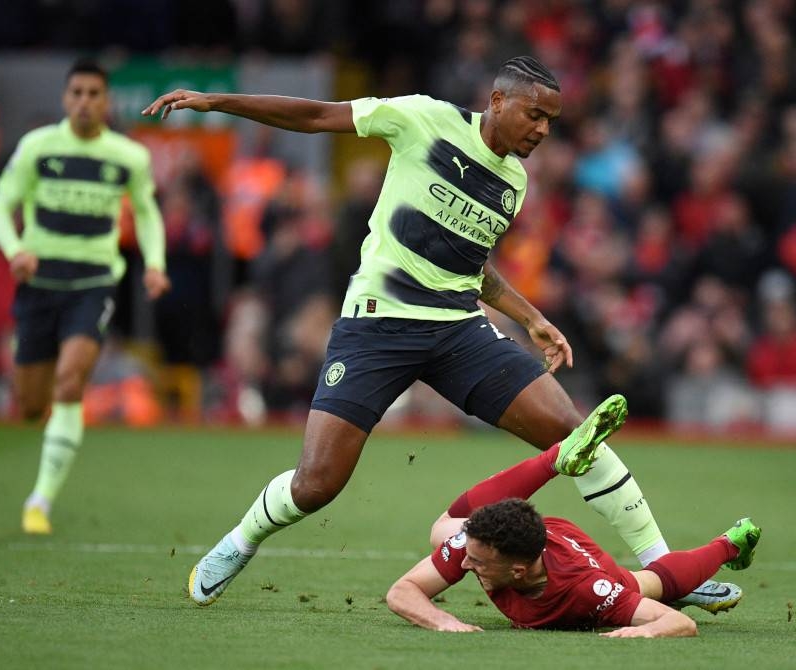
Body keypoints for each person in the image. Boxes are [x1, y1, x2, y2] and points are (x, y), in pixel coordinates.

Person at [142, 56, 734, 610]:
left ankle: (669, 571)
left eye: (552, 120)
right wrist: (217, 102)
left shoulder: (513, 181)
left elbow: (470, 267)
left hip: (456, 329)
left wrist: (531, 318)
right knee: (317, 484)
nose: (544, 130)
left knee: (577, 438)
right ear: (498, 101)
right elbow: (318, 116)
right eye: (535, 114)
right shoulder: (424, 119)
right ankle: (240, 540)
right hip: (376, 324)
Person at [0, 59, 170, 534]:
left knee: (70, 383)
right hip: (39, 285)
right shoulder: (38, 148)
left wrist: (154, 264)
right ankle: (41, 436)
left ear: (106, 102)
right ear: (65, 99)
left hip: (93, 283)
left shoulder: (128, 156)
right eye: (77, 93)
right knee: (30, 404)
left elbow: (147, 214)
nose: (85, 102)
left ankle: (39, 502)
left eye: (94, 94)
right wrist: (15, 250)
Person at [386, 435, 761, 637]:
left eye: (478, 562)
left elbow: (680, 624)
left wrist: (642, 633)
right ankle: (554, 458)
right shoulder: (475, 542)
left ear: (516, 571)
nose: (465, 564)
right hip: (539, 535)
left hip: (585, 565)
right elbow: (402, 591)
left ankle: (729, 544)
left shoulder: (588, 590)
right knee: (443, 530)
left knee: (645, 583)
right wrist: (442, 621)